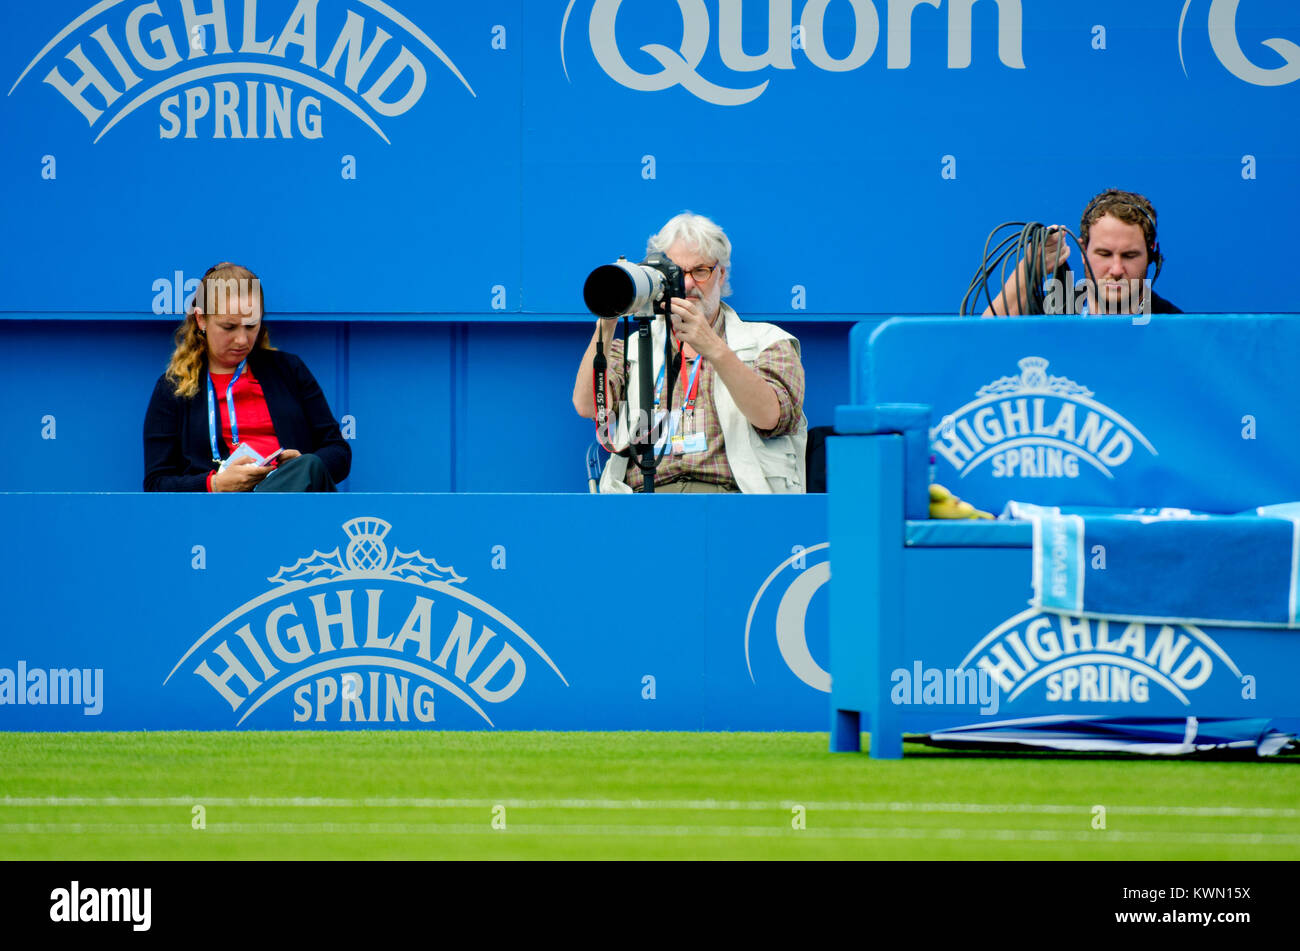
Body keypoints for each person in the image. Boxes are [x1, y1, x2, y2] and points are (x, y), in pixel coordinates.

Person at [572, 213, 807, 493]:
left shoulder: (768, 341)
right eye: (675, 273)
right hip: (645, 504)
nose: (686, 285)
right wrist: (607, 320)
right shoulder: (634, 347)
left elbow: (770, 417)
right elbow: (588, 407)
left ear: (721, 274)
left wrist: (714, 349)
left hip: (733, 501)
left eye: (700, 271)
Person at [143, 262, 350, 492]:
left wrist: (303, 464)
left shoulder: (288, 369)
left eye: (251, 325)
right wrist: (215, 484)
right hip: (215, 513)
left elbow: (338, 452)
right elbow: (156, 484)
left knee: (309, 465)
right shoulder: (174, 387)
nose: (242, 340)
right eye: (229, 327)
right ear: (201, 320)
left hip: (294, 503)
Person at [984, 188, 1182, 317]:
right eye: (1104, 254)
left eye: (1130, 256)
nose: (1116, 269)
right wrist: (1029, 269)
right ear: (1083, 251)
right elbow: (980, 343)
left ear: (1151, 256)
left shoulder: (1174, 328)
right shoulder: (1052, 314)